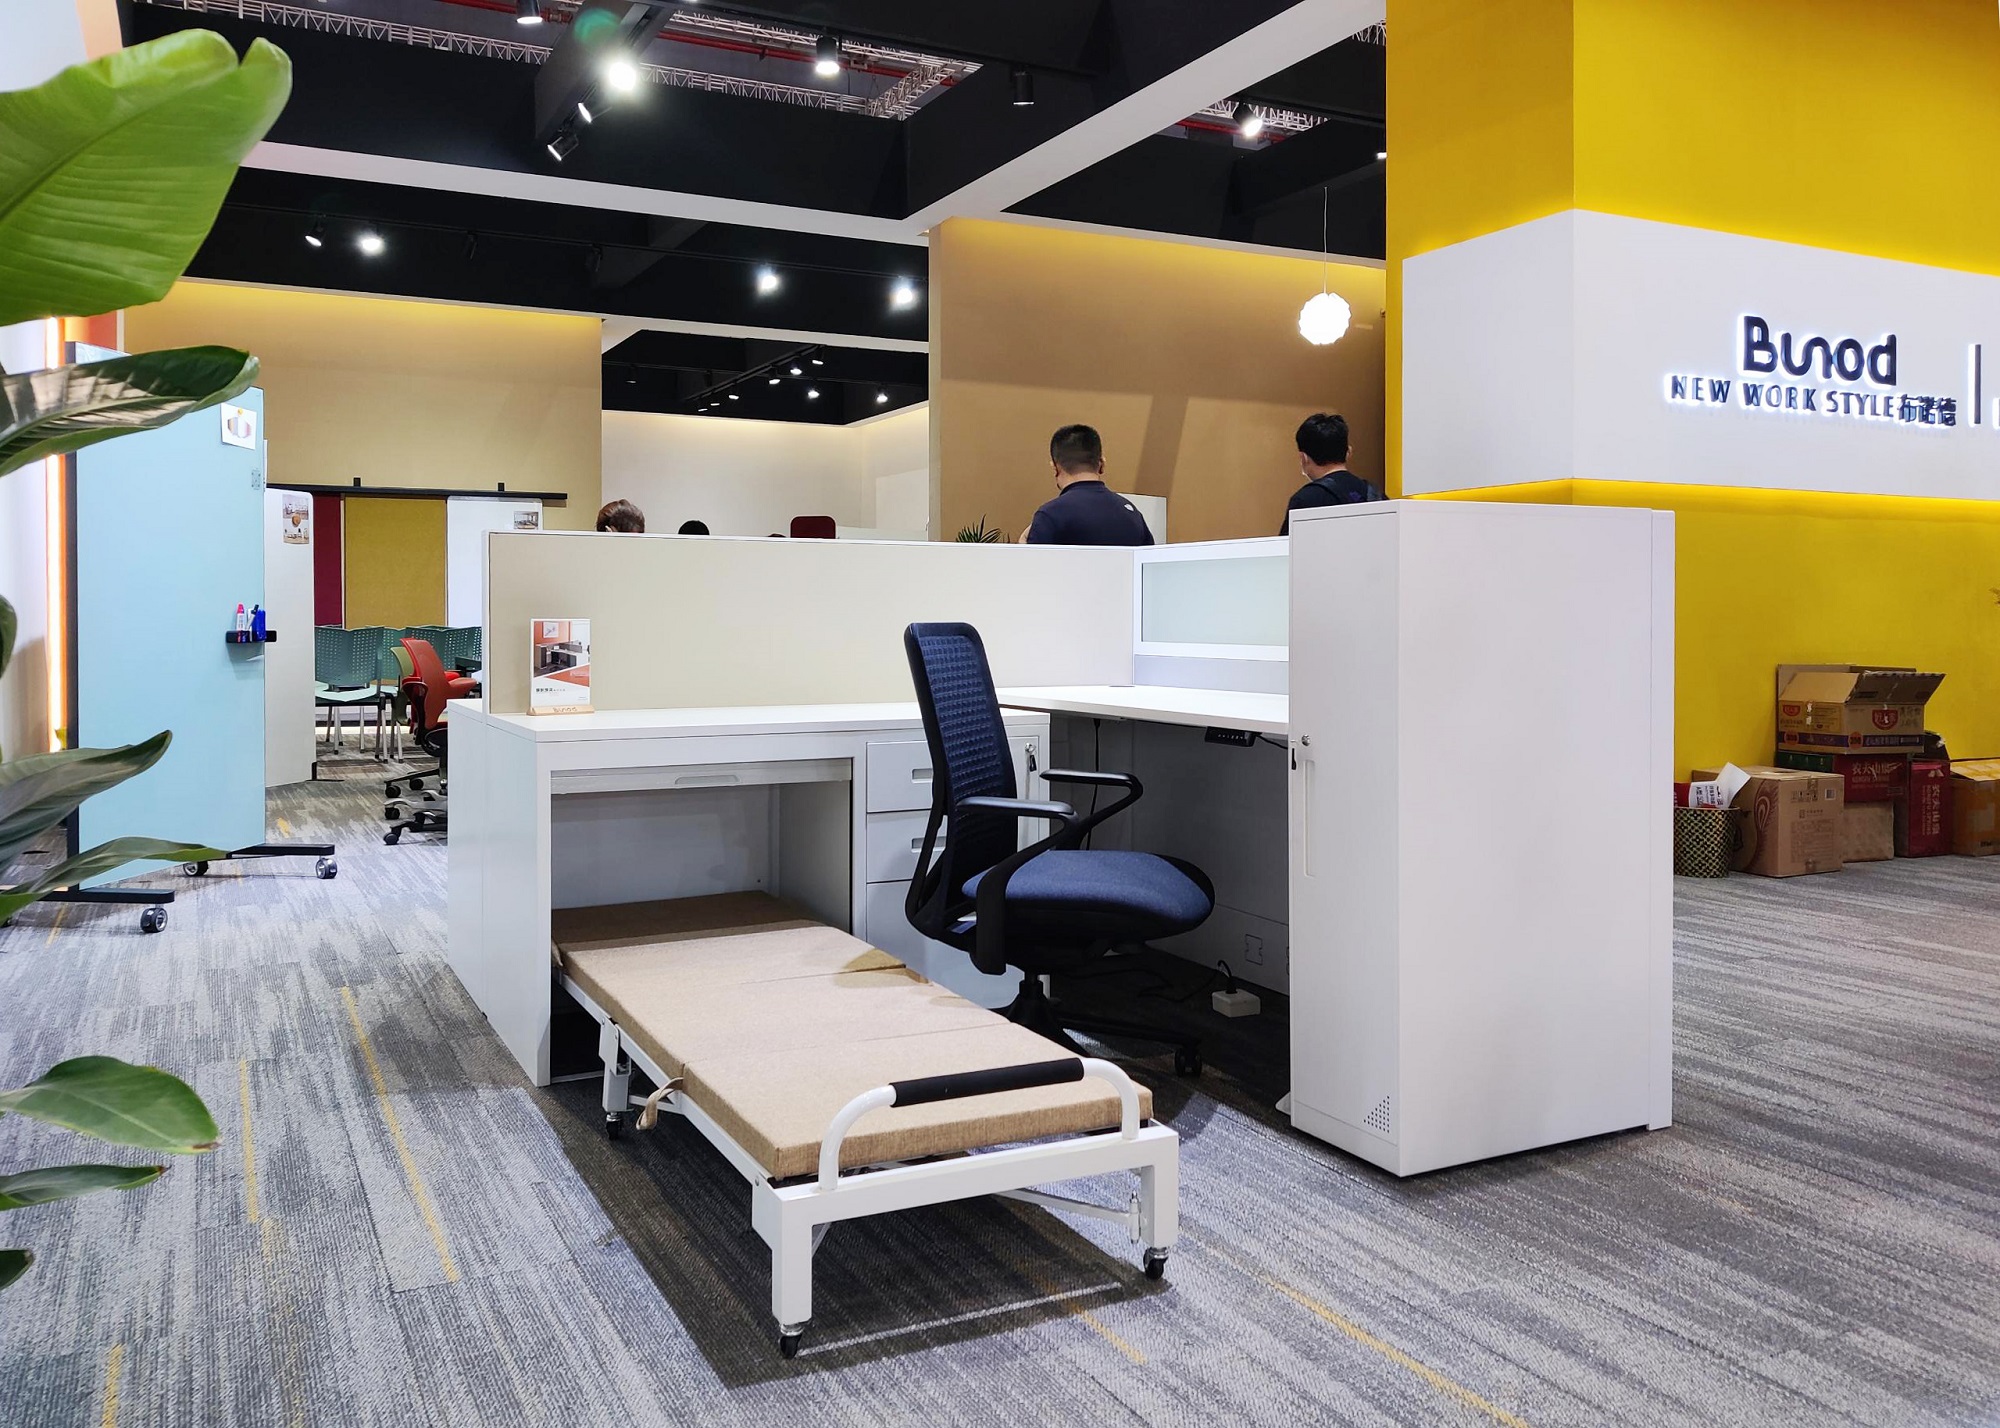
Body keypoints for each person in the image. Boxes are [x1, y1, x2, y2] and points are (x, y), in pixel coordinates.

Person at [1024, 425, 1154, 547]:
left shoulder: (1050, 515)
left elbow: (1033, 562)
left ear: (1055, 468)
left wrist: (1023, 547)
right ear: (1102, 464)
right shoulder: (1131, 514)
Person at [1279, 413, 1381, 535]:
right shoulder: (1376, 495)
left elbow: (1286, 545)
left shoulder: (1305, 500)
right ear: (1348, 452)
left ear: (1304, 458)